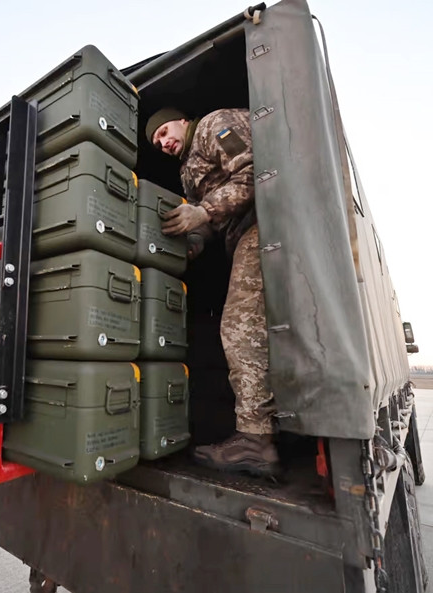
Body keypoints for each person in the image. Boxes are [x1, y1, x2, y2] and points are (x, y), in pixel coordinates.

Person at [146, 107, 279, 476]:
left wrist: (202, 211)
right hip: (241, 234)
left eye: (165, 131)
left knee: (238, 327)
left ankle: (255, 440)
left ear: (182, 121)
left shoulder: (212, 126)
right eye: (157, 142)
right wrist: (195, 241)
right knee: (243, 327)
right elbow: (210, 223)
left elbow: (256, 172)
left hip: (265, 222)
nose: (163, 142)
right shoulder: (187, 173)